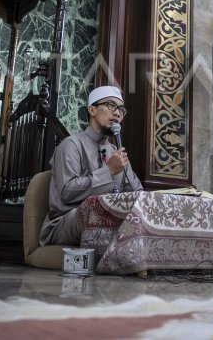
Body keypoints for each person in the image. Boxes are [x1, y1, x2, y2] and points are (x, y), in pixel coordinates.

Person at [39, 85, 143, 246]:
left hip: (107, 218)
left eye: (121, 110)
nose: (117, 113)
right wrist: (109, 172)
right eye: (110, 105)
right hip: (66, 221)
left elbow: (137, 194)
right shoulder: (71, 145)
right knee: (96, 213)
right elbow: (67, 192)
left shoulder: (116, 153)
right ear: (92, 110)